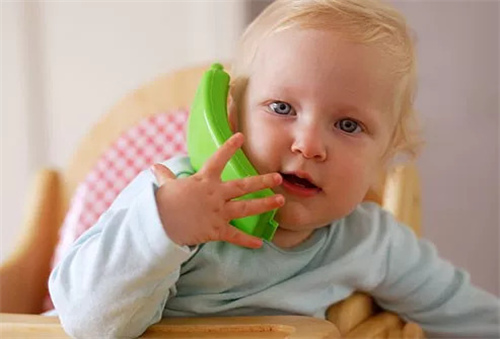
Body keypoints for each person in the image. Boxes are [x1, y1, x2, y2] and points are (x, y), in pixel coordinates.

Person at [48, 0, 500, 337]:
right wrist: (165, 228)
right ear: (229, 116)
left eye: (348, 124)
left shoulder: (370, 240)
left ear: (384, 158)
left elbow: (468, 315)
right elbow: (87, 323)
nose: (308, 144)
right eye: (282, 107)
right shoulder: (173, 197)